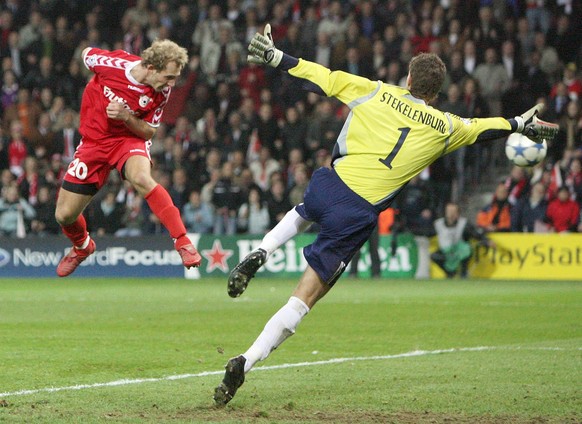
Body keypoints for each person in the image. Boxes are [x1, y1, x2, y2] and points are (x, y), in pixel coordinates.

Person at [213, 24, 560, 406]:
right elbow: (481, 129)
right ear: (437, 92)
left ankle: (264, 249)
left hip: (331, 181)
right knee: (304, 299)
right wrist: (516, 124)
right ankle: (244, 363)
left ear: (408, 78)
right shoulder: (445, 127)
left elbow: (322, 76)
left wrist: (278, 57)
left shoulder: (374, 90)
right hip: (358, 210)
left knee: (302, 211)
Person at [53, 40, 201, 277]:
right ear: (151, 67)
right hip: (94, 142)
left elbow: (149, 131)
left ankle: (183, 242)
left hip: (128, 139)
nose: (172, 84)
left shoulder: (160, 92)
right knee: (64, 215)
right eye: (169, 76)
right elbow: (86, 54)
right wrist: (94, 92)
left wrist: (126, 117)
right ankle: (82, 247)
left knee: (141, 178)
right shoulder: (113, 65)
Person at [430, 202, 491, 279]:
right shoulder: (438, 223)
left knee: (466, 249)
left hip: (459, 249)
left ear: (458, 213)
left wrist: (486, 240)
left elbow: (475, 233)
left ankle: (463, 272)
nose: (451, 214)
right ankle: (449, 273)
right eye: (449, 211)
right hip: (445, 251)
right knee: (434, 256)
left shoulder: (464, 223)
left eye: (453, 212)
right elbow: (428, 232)